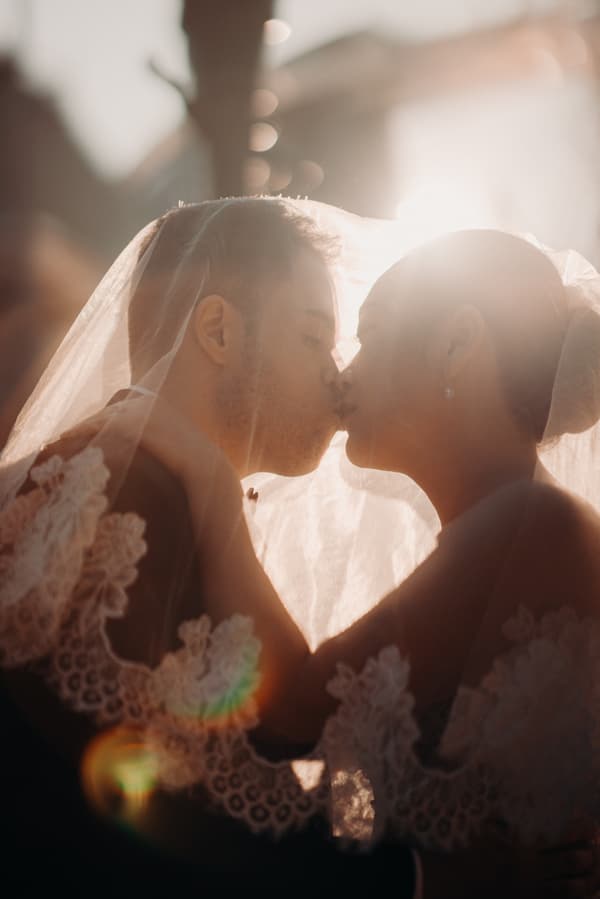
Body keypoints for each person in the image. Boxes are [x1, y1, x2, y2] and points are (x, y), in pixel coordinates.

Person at [0, 199, 597, 897]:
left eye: (362, 339)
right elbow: (106, 809)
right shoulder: (126, 490)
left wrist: (214, 490)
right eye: (318, 337)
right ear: (217, 330)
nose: (340, 374)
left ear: (459, 347)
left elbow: (287, 720)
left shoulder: (524, 522)